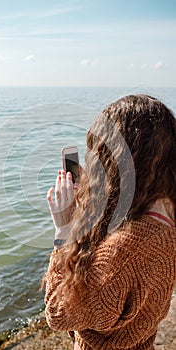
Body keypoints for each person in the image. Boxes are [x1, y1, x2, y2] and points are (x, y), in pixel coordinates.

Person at [44, 94, 176, 350]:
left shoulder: (126, 250)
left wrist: (64, 230)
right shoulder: (164, 216)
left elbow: (58, 313)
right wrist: (88, 206)